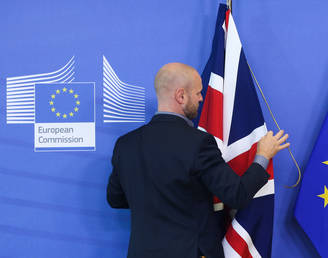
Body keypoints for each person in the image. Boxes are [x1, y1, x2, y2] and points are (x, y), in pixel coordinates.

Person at [106, 63, 289, 258]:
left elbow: (115, 199)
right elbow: (237, 195)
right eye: (198, 93)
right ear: (181, 96)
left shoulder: (125, 145)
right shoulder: (199, 143)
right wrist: (263, 156)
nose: (202, 98)